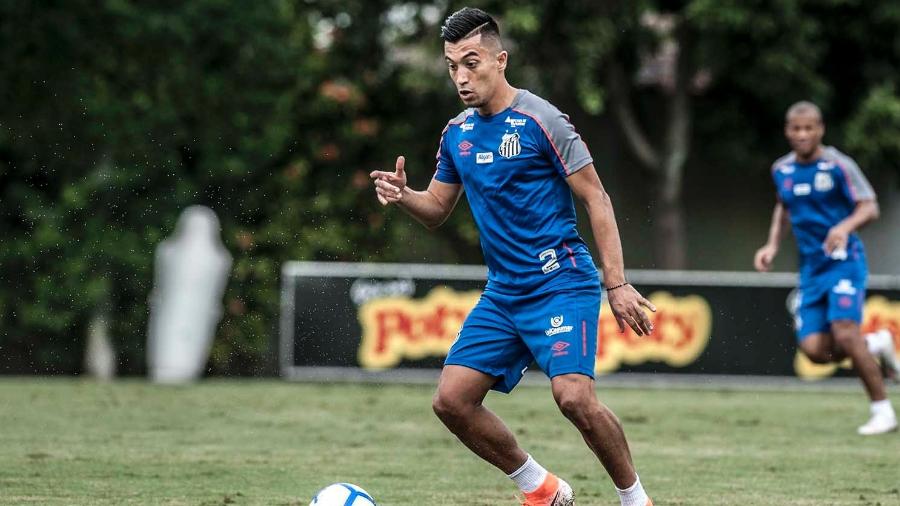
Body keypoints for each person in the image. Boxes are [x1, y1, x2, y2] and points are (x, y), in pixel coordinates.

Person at [370, 7, 655, 506]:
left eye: (471, 62)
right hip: (504, 292)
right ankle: (541, 489)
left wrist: (618, 284)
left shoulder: (541, 119)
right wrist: (404, 195)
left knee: (573, 398)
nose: (461, 76)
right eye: (452, 66)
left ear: (500, 60)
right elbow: (437, 209)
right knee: (451, 401)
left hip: (561, 282)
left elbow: (597, 198)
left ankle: (635, 499)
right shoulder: (456, 133)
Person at [754, 101, 899, 435]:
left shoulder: (838, 165)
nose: (803, 134)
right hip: (811, 271)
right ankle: (877, 343)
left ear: (820, 130)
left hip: (844, 263)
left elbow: (869, 206)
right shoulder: (782, 170)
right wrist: (772, 245)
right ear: (787, 131)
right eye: (796, 129)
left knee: (846, 333)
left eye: (809, 128)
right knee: (815, 351)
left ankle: (883, 412)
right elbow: (783, 208)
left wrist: (843, 228)